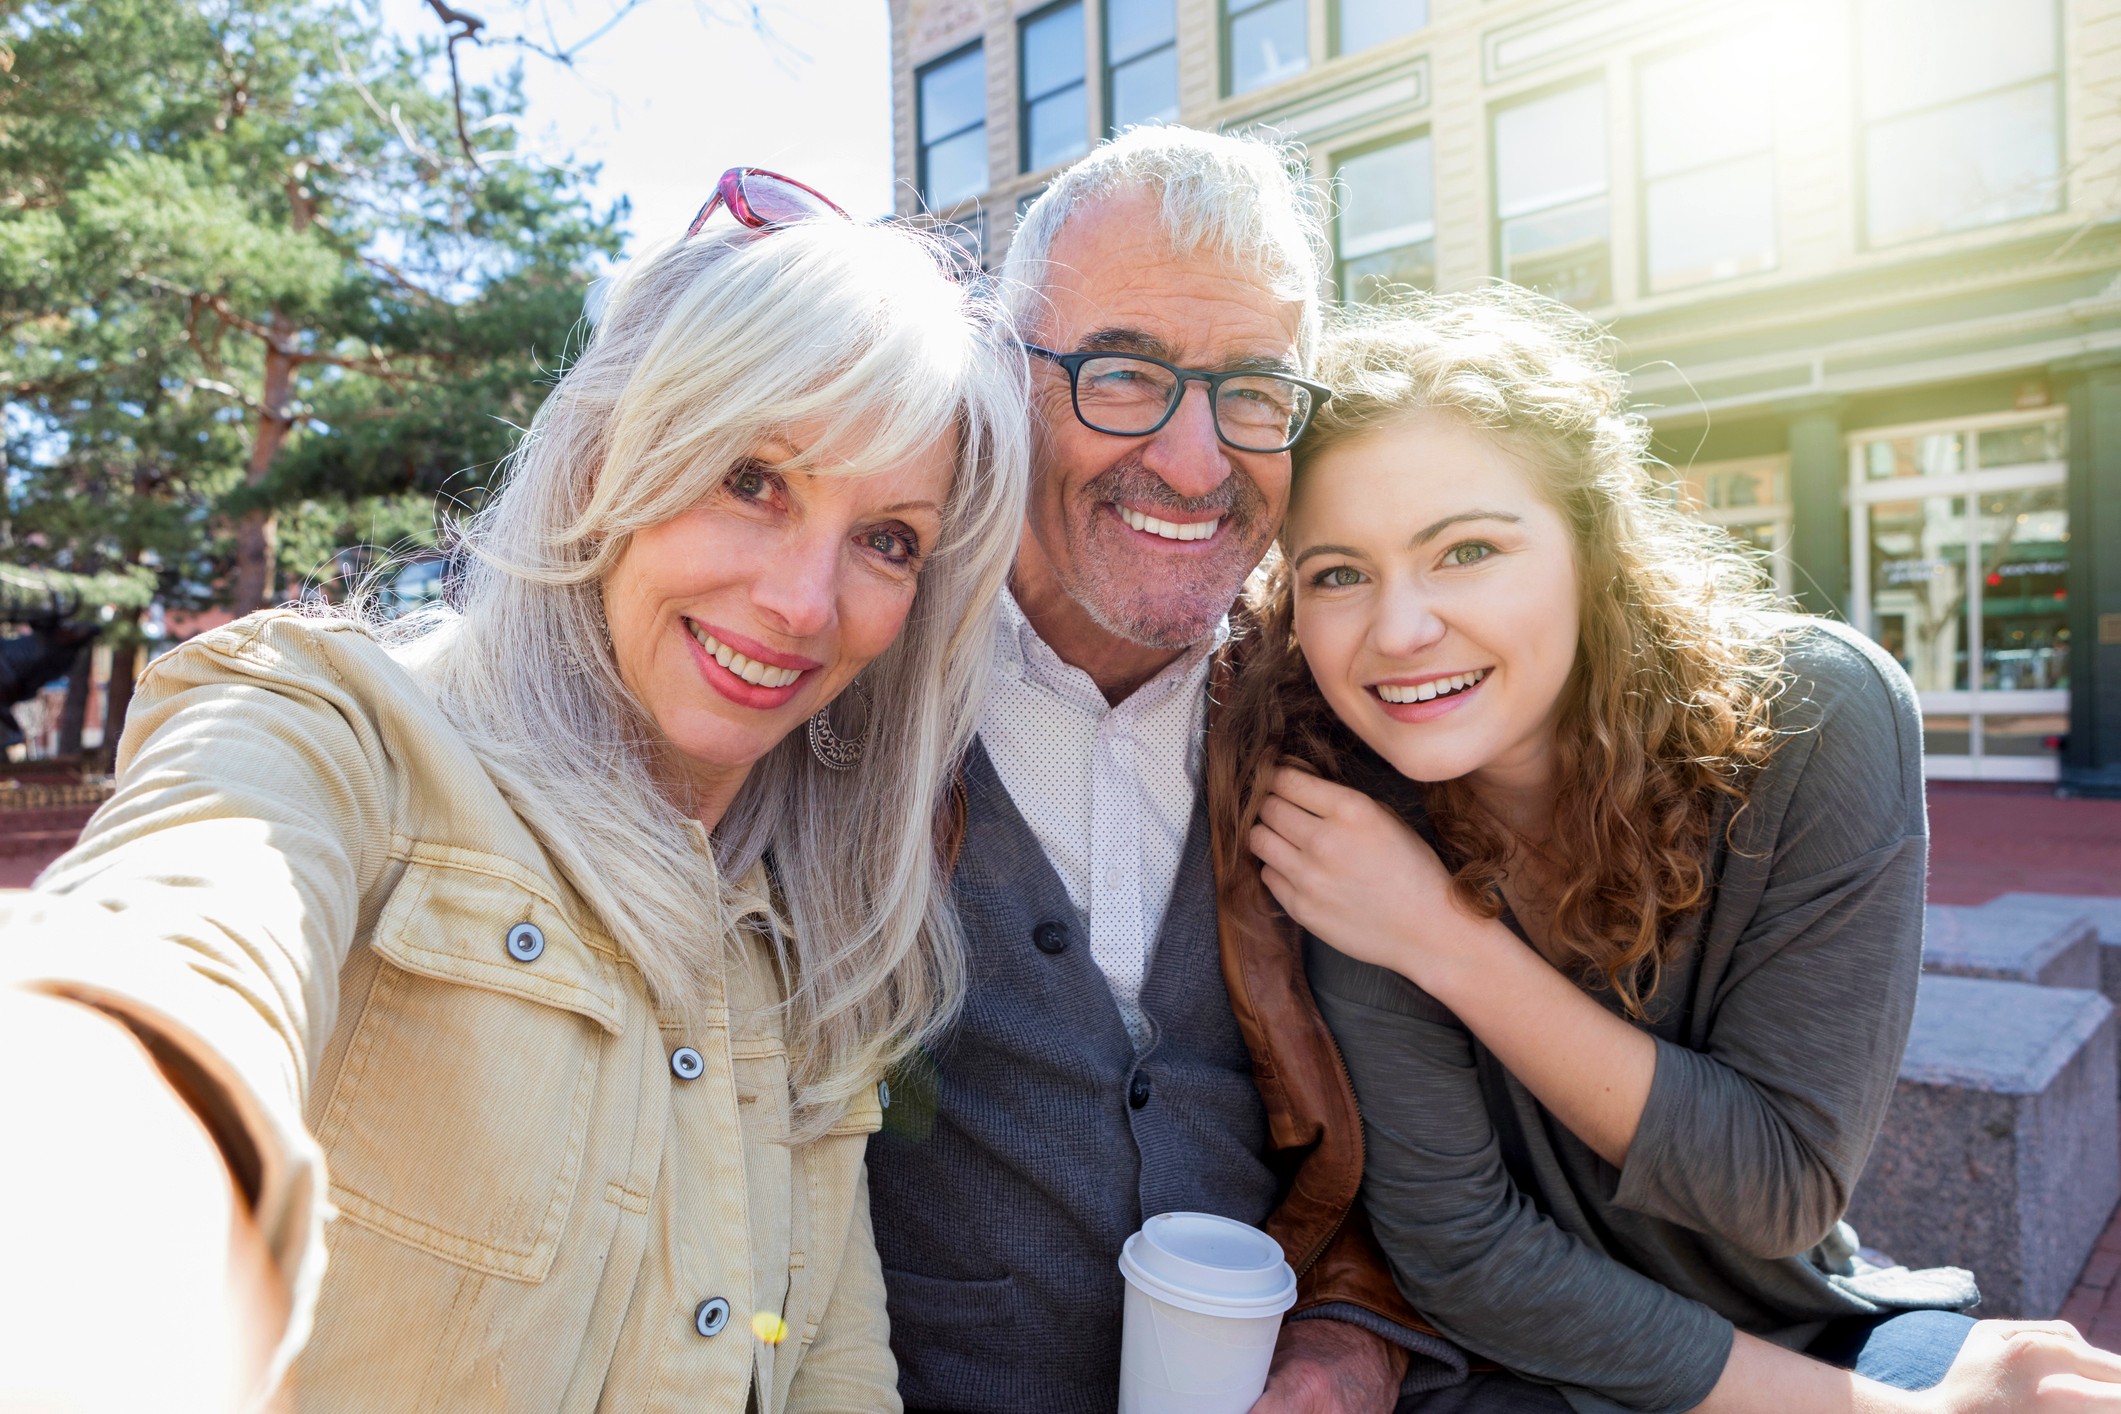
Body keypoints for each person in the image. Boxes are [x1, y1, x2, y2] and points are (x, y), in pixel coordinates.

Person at [0, 170, 1028, 1413]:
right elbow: (172, 957)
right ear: (609, 457)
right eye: (754, 477)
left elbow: (833, 1364)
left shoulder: (799, 934)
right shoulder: (335, 729)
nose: (806, 602)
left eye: (887, 539)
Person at [1221, 289, 2121, 1412]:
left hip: (1803, 1317)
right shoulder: (1342, 798)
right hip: (1525, 1354)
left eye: (1466, 550)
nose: (1399, 631)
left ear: (1591, 550)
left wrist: (1444, 941)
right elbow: (1467, 1253)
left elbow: (1780, 1181)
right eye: (1338, 573)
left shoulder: (1818, 716)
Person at [865, 125, 1458, 1414]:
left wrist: (1351, 1345)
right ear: (1004, 376)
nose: (1197, 465)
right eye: (1123, 373)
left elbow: (1439, 1157)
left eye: (1253, 388)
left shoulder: (1353, 715)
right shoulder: (851, 682)